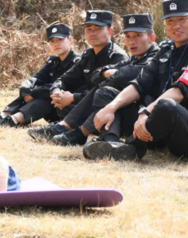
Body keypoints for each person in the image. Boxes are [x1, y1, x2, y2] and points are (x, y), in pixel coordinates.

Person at [85, 0, 188, 161]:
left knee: (167, 105)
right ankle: (112, 144)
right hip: (155, 127)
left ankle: (132, 148)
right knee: (107, 93)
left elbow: (178, 92)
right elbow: (139, 85)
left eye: (182, 19)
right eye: (170, 21)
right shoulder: (166, 49)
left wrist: (145, 112)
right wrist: (111, 107)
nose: (176, 26)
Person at [49, 14, 159, 147]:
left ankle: (77, 130)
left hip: (148, 117)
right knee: (104, 91)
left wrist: (110, 74)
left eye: (137, 35)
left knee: (105, 92)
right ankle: (108, 139)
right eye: (128, 36)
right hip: (128, 113)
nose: (131, 41)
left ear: (152, 38)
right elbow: (96, 75)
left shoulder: (156, 57)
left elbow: (123, 75)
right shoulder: (134, 58)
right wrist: (108, 73)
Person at [27, 10, 128, 140]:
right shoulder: (87, 56)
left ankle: (67, 128)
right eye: (89, 28)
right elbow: (64, 78)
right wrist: (57, 91)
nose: (93, 33)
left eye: (98, 28)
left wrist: (74, 97)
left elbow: (107, 94)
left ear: (110, 31)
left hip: (109, 109)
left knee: (97, 97)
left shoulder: (118, 57)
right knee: (62, 104)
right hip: (85, 107)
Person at [0, 24, 80, 129]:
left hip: (68, 110)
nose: (56, 44)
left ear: (70, 40)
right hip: (51, 109)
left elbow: (64, 87)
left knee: (46, 96)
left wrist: (34, 92)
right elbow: (35, 78)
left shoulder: (78, 62)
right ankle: (1, 116)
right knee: (32, 92)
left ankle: (12, 121)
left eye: (60, 39)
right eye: (52, 41)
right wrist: (26, 90)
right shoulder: (53, 61)